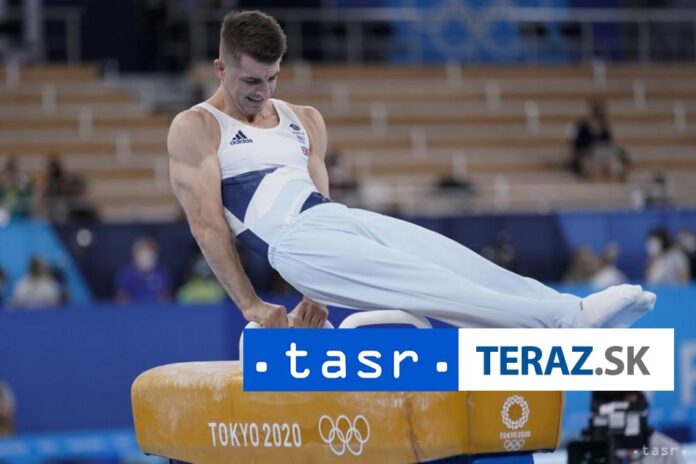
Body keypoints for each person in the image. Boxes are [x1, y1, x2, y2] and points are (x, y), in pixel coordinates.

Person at [167, 10, 656, 330]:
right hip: (291, 243)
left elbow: (323, 202)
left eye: (272, 78)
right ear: (221, 69)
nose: (264, 91)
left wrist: (312, 292)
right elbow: (207, 225)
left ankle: (571, 307)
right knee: (430, 284)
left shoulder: (304, 119)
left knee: (454, 261)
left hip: (332, 223)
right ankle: (565, 324)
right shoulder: (198, 127)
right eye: (252, 81)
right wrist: (251, 304)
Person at [115, 236, 172, 303]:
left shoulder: (162, 273)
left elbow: (166, 296)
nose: (146, 259)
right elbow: (121, 297)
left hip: (155, 307)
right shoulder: (126, 273)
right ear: (135, 256)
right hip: (133, 308)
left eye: (150, 256)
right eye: (142, 255)